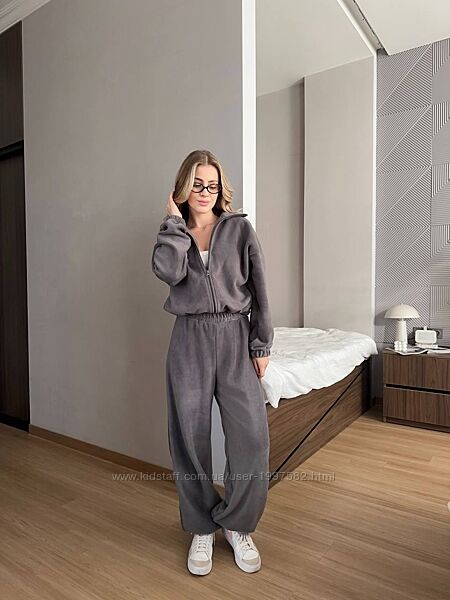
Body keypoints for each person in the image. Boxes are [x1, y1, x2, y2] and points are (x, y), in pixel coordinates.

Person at [151, 149, 274, 575]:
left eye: (213, 185)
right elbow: (167, 273)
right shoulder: (173, 233)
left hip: (235, 334)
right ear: (183, 188)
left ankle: (237, 524)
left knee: (251, 437)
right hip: (189, 339)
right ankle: (202, 526)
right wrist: (174, 225)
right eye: (197, 185)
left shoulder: (239, 229)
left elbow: (260, 288)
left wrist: (261, 344)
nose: (205, 192)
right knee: (189, 437)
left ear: (221, 189)